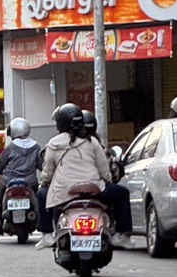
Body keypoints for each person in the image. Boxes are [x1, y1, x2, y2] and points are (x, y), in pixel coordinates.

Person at [35, 102, 133, 249]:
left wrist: (44, 182)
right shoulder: (92, 141)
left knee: (41, 193)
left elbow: (47, 172)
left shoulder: (53, 144)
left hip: (63, 193)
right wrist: (108, 181)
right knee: (123, 193)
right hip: (95, 190)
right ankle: (121, 235)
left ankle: (47, 235)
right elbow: (104, 170)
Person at [0, 117, 42, 242]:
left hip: (9, 182)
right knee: (39, 202)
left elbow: (1, 165)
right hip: (30, 183)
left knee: (0, 205)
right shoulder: (36, 147)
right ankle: (43, 227)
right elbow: (41, 165)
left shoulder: (10, 147)